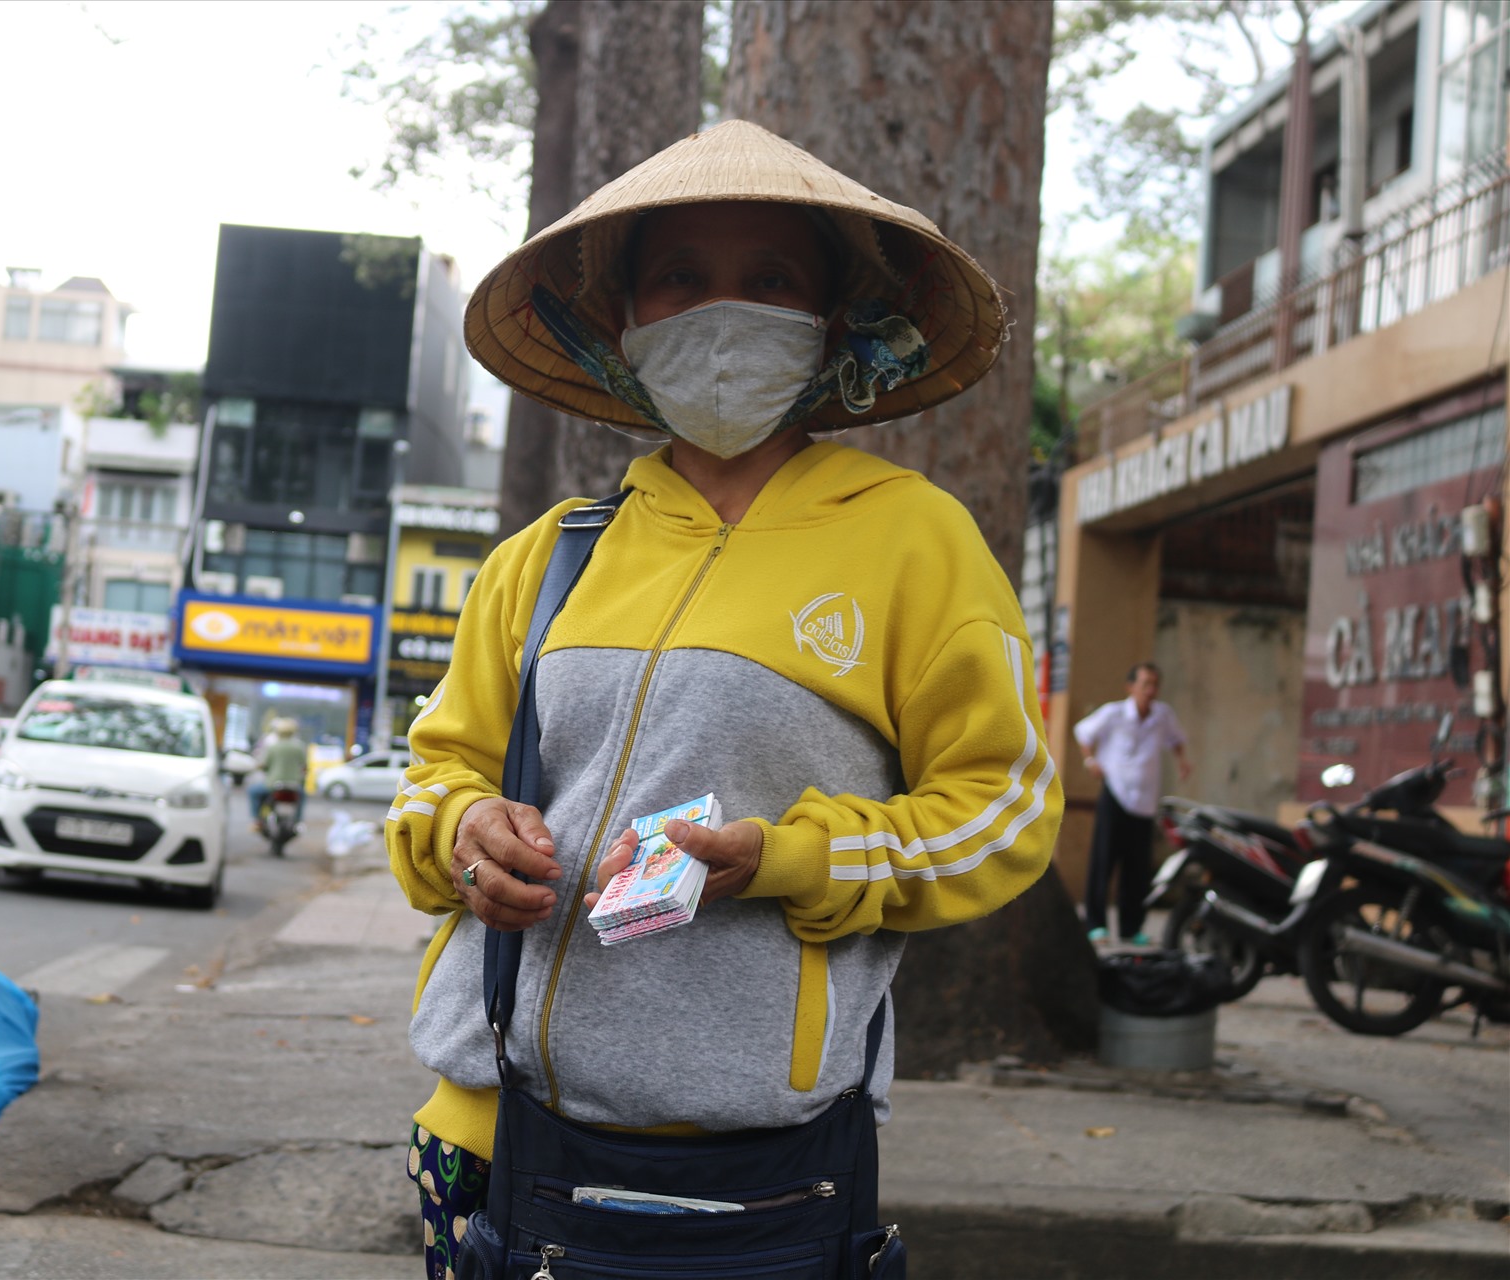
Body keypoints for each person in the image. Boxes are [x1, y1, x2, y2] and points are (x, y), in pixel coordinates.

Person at [383, 119, 1063, 1279]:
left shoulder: (914, 543)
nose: (725, 309)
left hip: (747, 1179)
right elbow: (433, 777)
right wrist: (463, 834)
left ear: (832, 317)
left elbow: (1005, 811)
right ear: (625, 320)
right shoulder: (550, 557)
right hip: (481, 1138)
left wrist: (797, 857)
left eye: (772, 279)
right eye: (682, 278)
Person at [1072, 662, 1193, 945]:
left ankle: (1131, 927)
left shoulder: (1162, 716)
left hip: (1144, 801)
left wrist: (1182, 761)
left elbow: (1176, 739)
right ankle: (1096, 925)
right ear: (1131, 687)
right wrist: (1090, 760)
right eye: (1145, 684)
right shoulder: (1114, 714)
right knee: (1103, 862)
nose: (1150, 691)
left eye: (1155, 685)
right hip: (1115, 795)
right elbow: (1083, 732)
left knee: (1137, 869)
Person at [250, 718, 307, 829]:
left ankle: (256, 820)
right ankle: (299, 821)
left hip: (273, 784)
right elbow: (304, 766)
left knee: (253, 792)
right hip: (294, 785)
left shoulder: (273, 747)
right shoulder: (299, 747)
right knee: (302, 797)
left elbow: (264, 765)